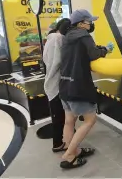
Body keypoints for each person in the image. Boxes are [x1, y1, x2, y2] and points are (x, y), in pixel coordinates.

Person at [59, 9, 114, 169]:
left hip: (64, 85)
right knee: (90, 120)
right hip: (78, 86)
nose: (91, 24)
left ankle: (74, 150)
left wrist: (99, 49)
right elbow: (93, 54)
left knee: (69, 121)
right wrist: (106, 50)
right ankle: (69, 155)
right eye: (90, 21)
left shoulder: (67, 37)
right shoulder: (84, 36)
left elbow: (82, 54)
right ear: (82, 23)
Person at [43, 18, 71, 153]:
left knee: (59, 115)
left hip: (51, 80)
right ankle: (58, 143)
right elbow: (58, 61)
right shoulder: (59, 39)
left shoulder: (50, 38)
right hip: (55, 82)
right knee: (59, 115)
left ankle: (62, 139)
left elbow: (46, 59)